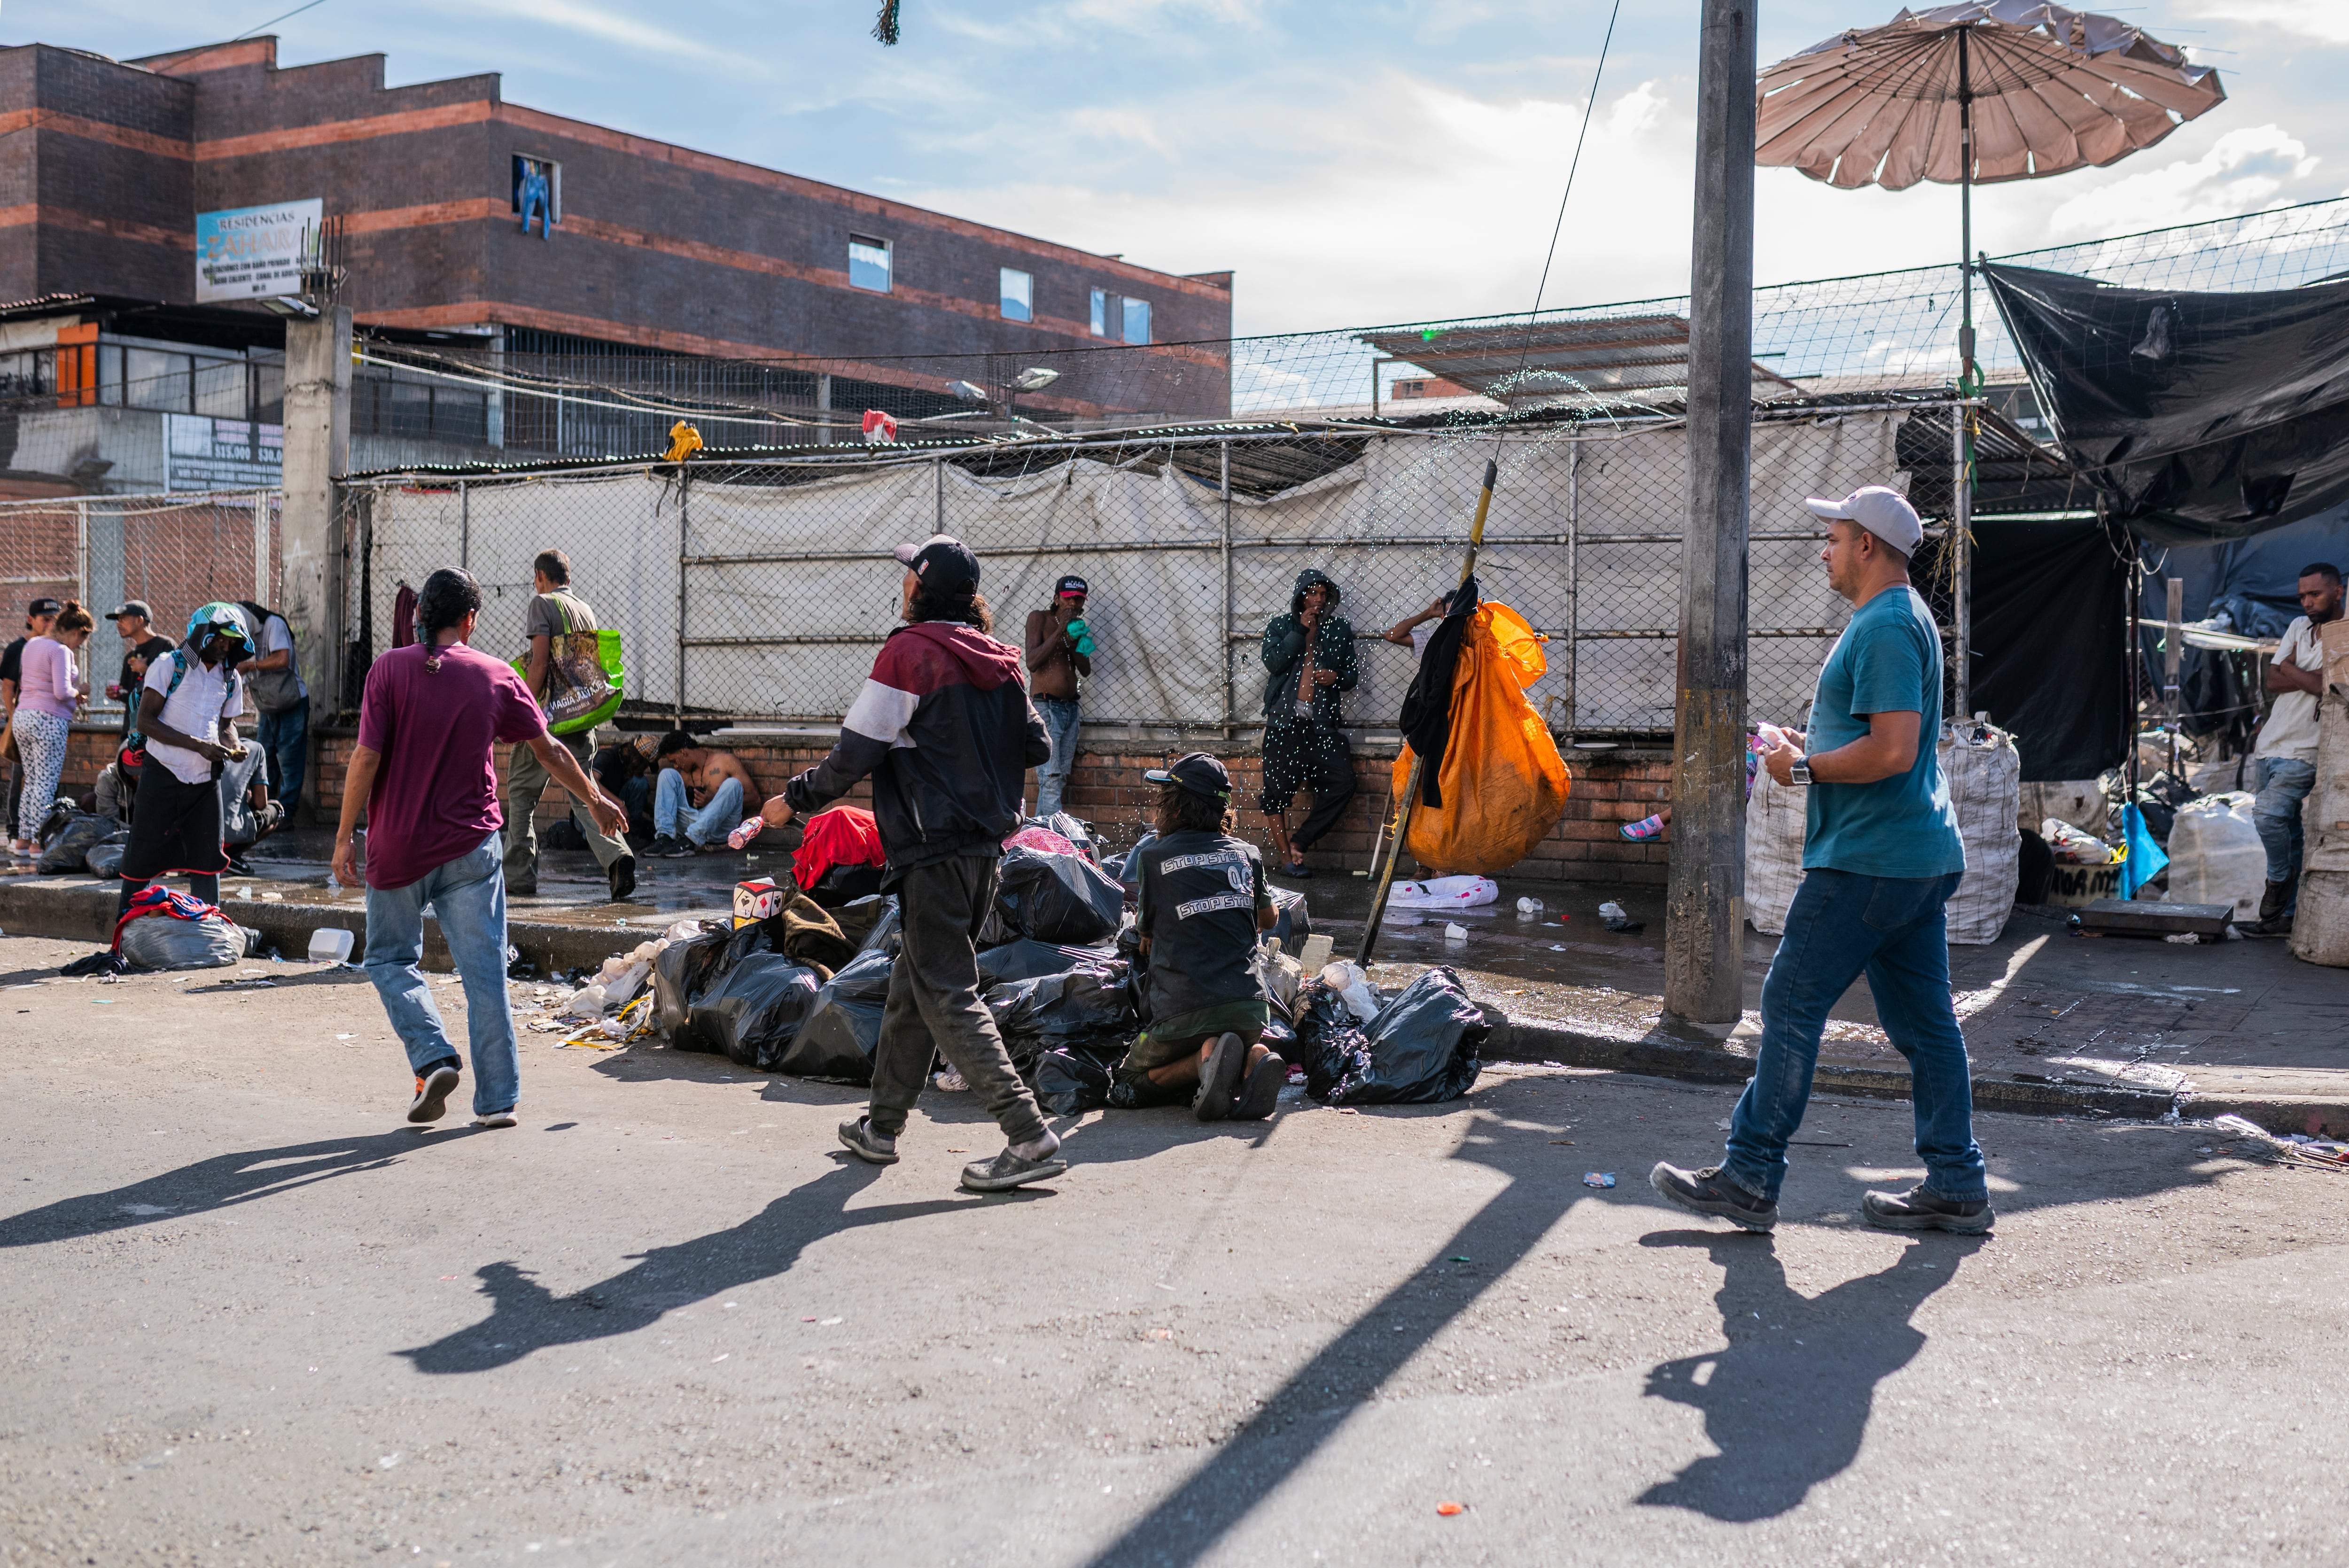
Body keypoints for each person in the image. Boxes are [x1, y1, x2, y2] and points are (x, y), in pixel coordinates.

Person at [1652, 486, 1990, 1236]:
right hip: (1908, 854)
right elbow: (1882, 740)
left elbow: (1895, 750)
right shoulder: (1896, 620)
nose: (1825, 551)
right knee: (1928, 1026)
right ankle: (1958, 1183)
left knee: (1791, 1005)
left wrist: (1803, 772)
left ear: (1868, 544)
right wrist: (1806, 749)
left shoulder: (1889, 626)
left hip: (1869, 859)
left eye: (1834, 537)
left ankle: (1750, 1173)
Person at [746, 534, 1063, 1193]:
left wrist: (789, 801)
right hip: (984, 853)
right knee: (912, 984)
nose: (903, 588)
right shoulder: (1000, 661)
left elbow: (854, 754)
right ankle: (882, 1126)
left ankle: (1027, 1133)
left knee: (947, 990)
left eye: (907, 578)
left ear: (918, 587)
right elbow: (1038, 743)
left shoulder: (910, 654)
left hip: (932, 849)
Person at [334, 568, 627, 1130]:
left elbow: (366, 760)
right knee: (485, 974)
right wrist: (594, 800)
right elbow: (550, 751)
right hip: (471, 848)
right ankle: (497, 1101)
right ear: (470, 620)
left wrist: (346, 835)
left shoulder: (388, 670)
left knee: (391, 959)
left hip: (397, 847)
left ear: (420, 615)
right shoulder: (496, 674)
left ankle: (433, 1055)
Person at [1111, 753, 1286, 1121]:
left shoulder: (1153, 856)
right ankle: (1254, 1058)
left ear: (1173, 807)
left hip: (1183, 1013)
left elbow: (1146, 932)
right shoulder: (1247, 854)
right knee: (1238, 1040)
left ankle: (1204, 1057)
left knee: (1126, 1081)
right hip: (1251, 1009)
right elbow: (1269, 919)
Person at [504, 550, 637, 901]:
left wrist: (524, 710)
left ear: (539, 576)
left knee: (521, 795)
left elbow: (540, 663)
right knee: (584, 795)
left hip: (547, 718)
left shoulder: (541, 604)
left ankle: (518, 877)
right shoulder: (583, 607)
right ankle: (618, 858)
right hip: (579, 716)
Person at [113, 604, 254, 919]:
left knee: (207, 858)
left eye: (232, 642)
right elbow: (146, 722)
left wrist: (233, 745)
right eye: (221, 639)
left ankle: (207, 927)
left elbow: (226, 724)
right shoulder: (168, 666)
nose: (226, 646)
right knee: (143, 856)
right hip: (162, 772)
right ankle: (127, 926)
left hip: (205, 780)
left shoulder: (230, 678)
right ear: (202, 635)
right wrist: (197, 745)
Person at [2244, 562, 2344, 936]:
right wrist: (2304, 676)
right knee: (2289, 829)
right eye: (2302, 595)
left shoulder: (2344, 634)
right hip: (2270, 746)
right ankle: (2284, 919)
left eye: (2314, 594)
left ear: (2339, 591)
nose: (2306, 602)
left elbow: (2328, 687)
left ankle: (2278, 880)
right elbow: (2272, 680)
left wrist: (2291, 668)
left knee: (2267, 816)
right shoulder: (2297, 628)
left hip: (2306, 750)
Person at [1257, 568, 1359, 878]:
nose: (1318, 599)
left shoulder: (1340, 629)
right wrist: (1300, 631)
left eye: (1323, 594)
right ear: (1300, 596)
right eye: (1312, 593)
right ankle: (1287, 859)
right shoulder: (1281, 626)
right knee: (1275, 792)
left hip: (1322, 726)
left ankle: (1300, 840)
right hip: (1284, 724)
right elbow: (1274, 663)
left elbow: (1351, 676)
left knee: (1345, 782)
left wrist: (1336, 677)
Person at [10, 601, 93, 853]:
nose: (79, 646)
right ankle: (39, 841)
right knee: (46, 784)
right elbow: (61, 692)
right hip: (49, 719)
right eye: (83, 640)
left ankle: (23, 839)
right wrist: (81, 691)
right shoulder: (61, 651)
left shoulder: (32, 644)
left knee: (32, 780)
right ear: (79, 632)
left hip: (23, 716)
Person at [1024, 575, 1092, 817]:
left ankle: (1039, 839)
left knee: (1057, 781)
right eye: (1068, 599)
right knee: (1051, 781)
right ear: (1056, 599)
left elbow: (1085, 669)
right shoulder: (1039, 619)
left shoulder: (1079, 628)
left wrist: (1075, 641)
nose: (1073, 604)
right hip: (1046, 708)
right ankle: (1056, 842)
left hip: (1070, 710)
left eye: (1079, 600)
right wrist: (1061, 629)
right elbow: (1032, 662)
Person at [2, 596, 63, 855]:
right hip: (27, 717)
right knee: (24, 778)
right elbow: (8, 685)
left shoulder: (55, 647)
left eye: (54, 619)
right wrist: (13, 715)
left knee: (41, 780)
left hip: (39, 717)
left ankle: (35, 834)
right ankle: (19, 831)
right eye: (45, 619)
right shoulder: (20, 648)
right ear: (31, 621)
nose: (50, 623)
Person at [235, 598, 308, 813]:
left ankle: (286, 814)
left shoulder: (273, 624)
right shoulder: (242, 639)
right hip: (268, 705)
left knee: (290, 760)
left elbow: (282, 659)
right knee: (265, 757)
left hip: (290, 702)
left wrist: (250, 665)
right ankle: (267, 810)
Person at [648, 730, 758, 856]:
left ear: (683, 752)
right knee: (667, 775)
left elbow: (755, 799)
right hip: (691, 826)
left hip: (720, 829)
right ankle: (665, 838)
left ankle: (690, 841)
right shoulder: (682, 774)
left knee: (733, 784)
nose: (676, 766)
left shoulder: (725, 761)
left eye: (675, 761)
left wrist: (714, 800)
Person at [106, 600, 175, 740]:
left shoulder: (165, 645)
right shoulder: (129, 658)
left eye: (123, 619)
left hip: (157, 730)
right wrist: (117, 694)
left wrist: (146, 670)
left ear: (139, 620)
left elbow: (175, 683)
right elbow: (131, 695)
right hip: (131, 731)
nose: (118, 625)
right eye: (118, 621)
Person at [1381, 597, 1450, 656]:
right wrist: (1429, 613)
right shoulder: (1437, 637)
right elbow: (1391, 636)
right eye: (1451, 613)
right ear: (1443, 616)